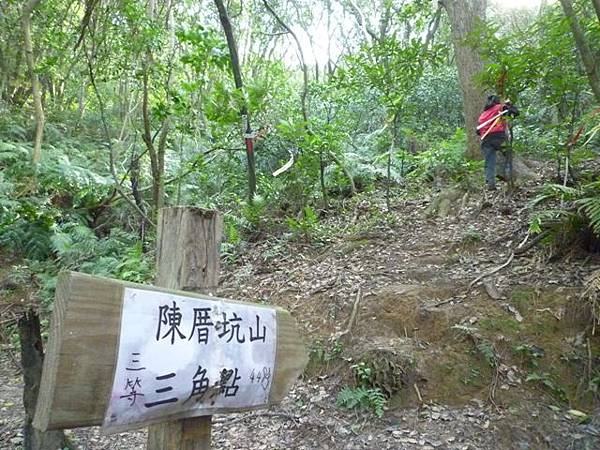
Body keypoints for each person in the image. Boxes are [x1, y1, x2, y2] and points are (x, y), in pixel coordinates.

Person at [476, 95, 519, 190]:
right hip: (499, 137)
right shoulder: (499, 108)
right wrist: (510, 105)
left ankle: (490, 182)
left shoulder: (483, 115)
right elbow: (515, 112)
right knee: (508, 155)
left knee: (489, 161)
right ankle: (506, 174)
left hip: (486, 139)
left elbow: (478, 131)